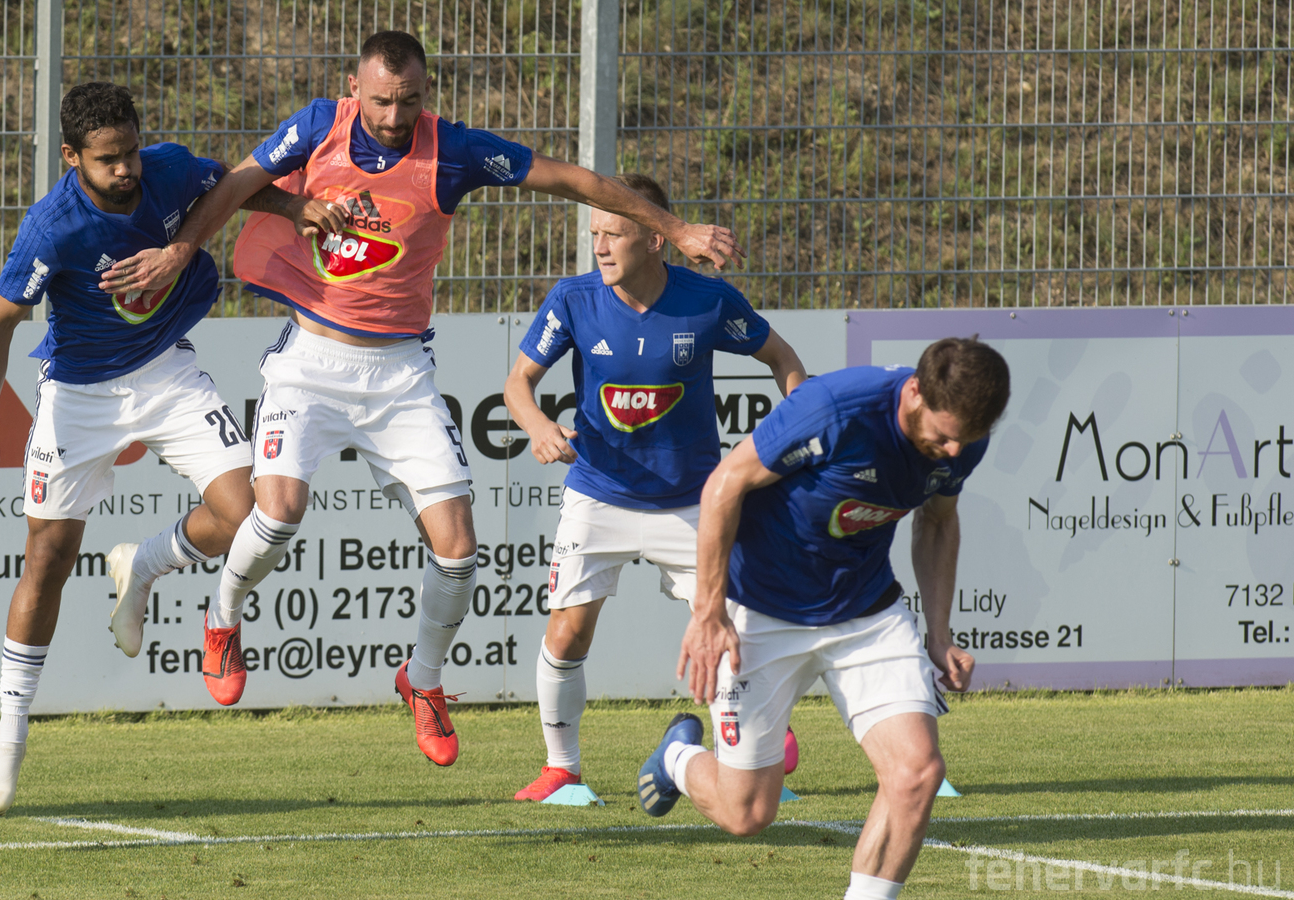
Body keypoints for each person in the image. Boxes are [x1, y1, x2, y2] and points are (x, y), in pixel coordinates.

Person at [96, 31, 743, 766]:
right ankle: (222, 620)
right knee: (275, 515)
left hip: (400, 375)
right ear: (354, 89)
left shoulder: (453, 152)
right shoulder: (320, 125)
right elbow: (237, 184)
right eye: (380, 101)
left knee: (459, 551)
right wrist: (201, 242)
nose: (394, 116)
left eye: (409, 101)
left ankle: (423, 680)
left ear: (426, 93)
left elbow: (571, 180)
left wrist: (675, 228)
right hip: (310, 364)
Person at [0, 82, 259, 815]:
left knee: (249, 514)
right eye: (108, 159)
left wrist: (299, 210)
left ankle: (143, 564)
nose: (126, 169)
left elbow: (233, 187)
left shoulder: (167, 169)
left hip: (165, 371)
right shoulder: (52, 227)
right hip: (80, 394)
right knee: (48, 560)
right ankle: (10, 735)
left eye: (130, 151)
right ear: (72, 156)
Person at [637, 337, 1009, 900]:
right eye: (944, 435)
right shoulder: (836, 410)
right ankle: (677, 757)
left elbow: (937, 521)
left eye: (968, 438)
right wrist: (709, 611)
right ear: (915, 392)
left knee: (917, 773)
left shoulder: (962, 443)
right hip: (761, 607)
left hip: (866, 612)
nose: (955, 451)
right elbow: (724, 485)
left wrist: (940, 634)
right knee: (747, 813)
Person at [501, 174, 806, 801]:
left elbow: (784, 361)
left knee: (730, 632)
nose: (600, 247)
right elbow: (517, 384)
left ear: (655, 239)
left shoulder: (708, 301)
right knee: (566, 633)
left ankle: (752, 756)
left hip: (692, 503)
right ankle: (562, 771)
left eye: (614, 233)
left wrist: (793, 436)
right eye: (595, 233)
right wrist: (537, 426)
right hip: (598, 493)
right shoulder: (573, 300)